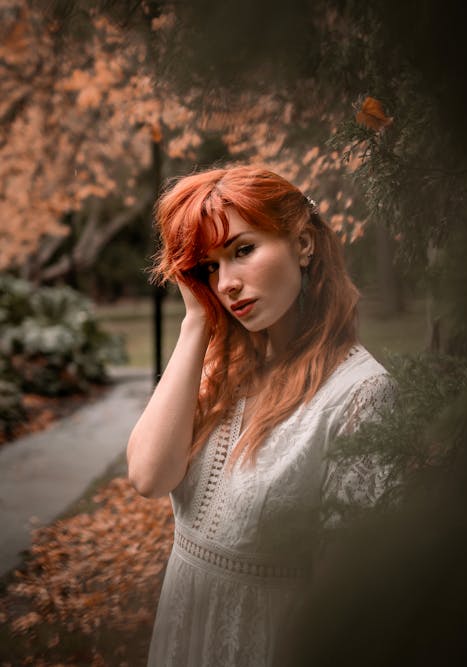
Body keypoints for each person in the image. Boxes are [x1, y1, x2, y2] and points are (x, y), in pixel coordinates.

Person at [127, 165, 395, 667]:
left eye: (242, 250)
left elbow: (348, 599)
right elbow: (148, 475)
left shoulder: (361, 393)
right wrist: (195, 324)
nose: (226, 283)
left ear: (303, 243)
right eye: (208, 267)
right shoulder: (218, 368)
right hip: (183, 633)